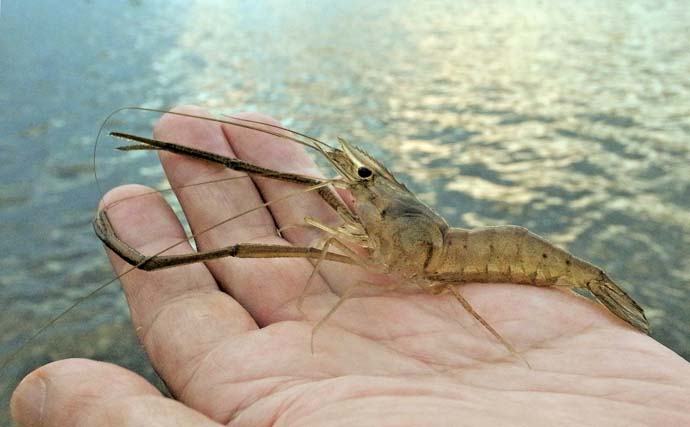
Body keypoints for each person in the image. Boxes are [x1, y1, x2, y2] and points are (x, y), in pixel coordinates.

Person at [11, 106, 690, 426]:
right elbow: (357, 202)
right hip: (434, 247)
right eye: (359, 180)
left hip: (486, 257)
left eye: (363, 180)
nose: (352, 186)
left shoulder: (437, 256)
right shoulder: (370, 215)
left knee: (269, 243)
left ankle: (597, 287)